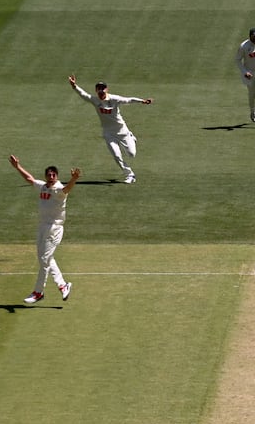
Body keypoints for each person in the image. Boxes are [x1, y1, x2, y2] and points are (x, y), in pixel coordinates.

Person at [9, 155, 80, 304]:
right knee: (46, 259)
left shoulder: (59, 189)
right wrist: (17, 167)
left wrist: (74, 179)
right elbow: (30, 179)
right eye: (49, 175)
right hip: (42, 227)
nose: (51, 177)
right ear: (46, 176)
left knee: (44, 260)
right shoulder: (43, 186)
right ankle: (63, 285)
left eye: (54, 175)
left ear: (57, 176)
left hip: (54, 229)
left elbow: (67, 189)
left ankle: (38, 292)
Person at [68, 75, 152, 184]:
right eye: (99, 88)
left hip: (122, 132)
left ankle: (131, 136)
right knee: (116, 155)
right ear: (96, 90)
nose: (101, 90)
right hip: (109, 134)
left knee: (132, 154)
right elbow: (83, 94)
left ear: (106, 89)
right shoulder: (94, 100)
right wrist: (74, 86)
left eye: (103, 88)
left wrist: (142, 101)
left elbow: (128, 100)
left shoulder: (114, 99)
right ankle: (129, 174)